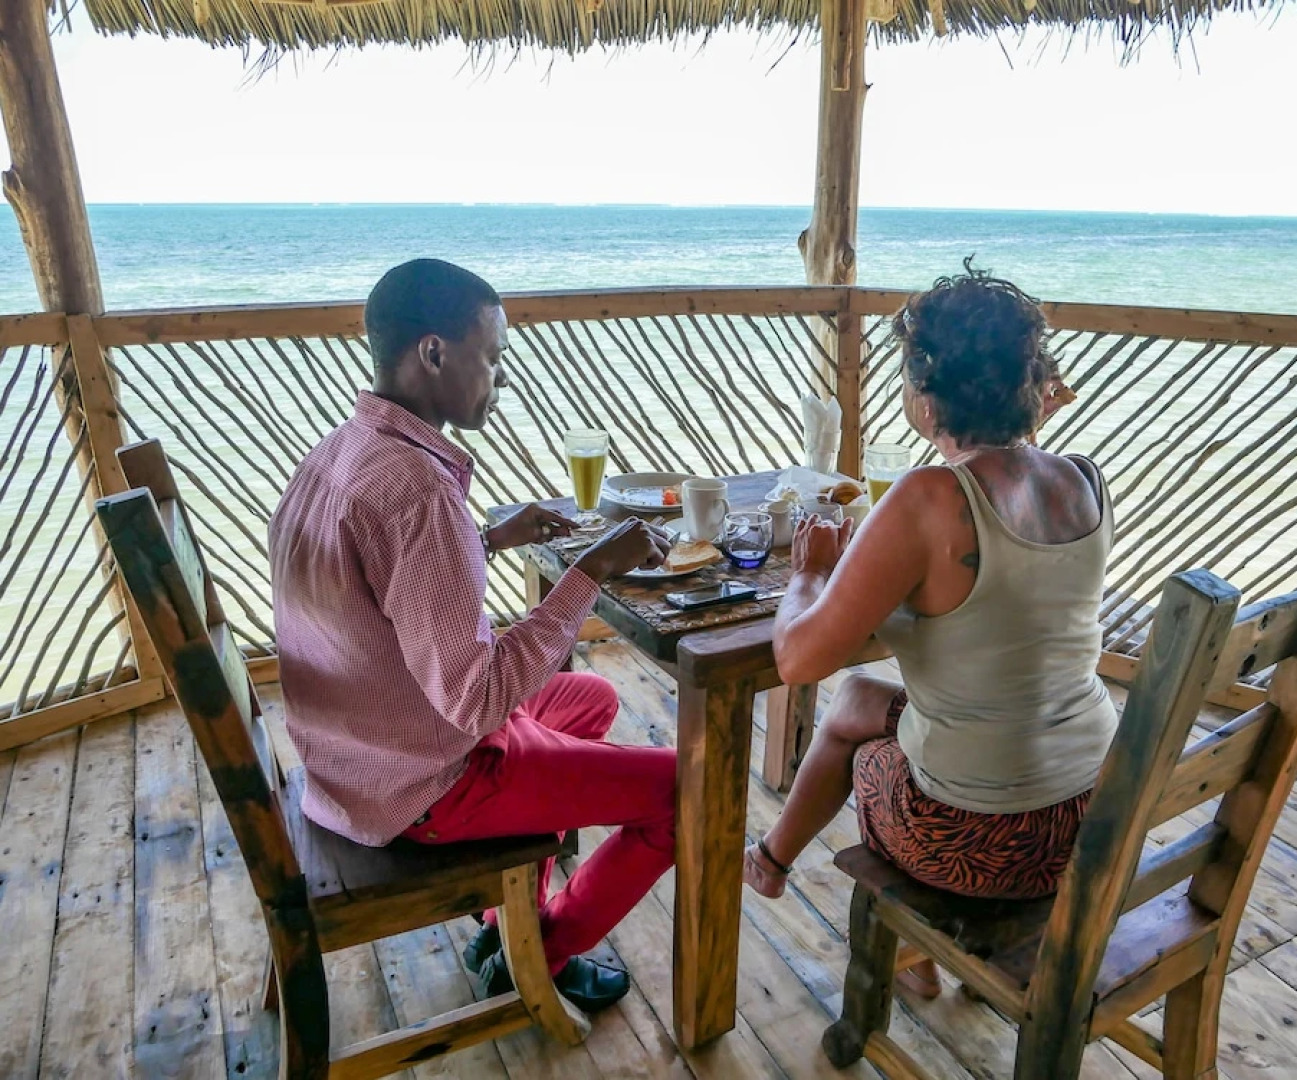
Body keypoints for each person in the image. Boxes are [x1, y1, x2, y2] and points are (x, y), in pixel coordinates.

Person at [269, 258, 676, 1013]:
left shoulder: (344, 451)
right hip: (419, 783)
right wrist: (586, 574)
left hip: (352, 752)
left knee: (585, 698)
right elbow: (476, 699)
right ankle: (540, 958)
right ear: (434, 353)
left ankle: (507, 920)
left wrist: (488, 539)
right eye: (491, 358)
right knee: (682, 789)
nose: (500, 378)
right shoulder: (421, 493)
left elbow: (381, 588)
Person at [742, 261, 1117, 999]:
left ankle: (904, 946)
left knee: (862, 746)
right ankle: (774, 862)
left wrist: (812, 572)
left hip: (984, 838)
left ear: (922, 396)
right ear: (1035, 384)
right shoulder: (1084, 477)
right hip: (1092, 809)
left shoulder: (929, 498)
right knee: (860, 700)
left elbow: (795, 659)